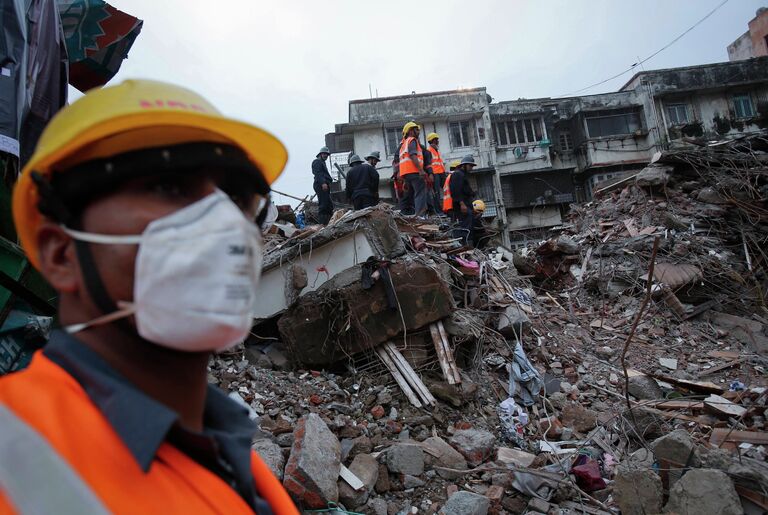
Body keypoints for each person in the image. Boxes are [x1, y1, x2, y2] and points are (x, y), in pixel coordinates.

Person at [0, 80, 298, 515]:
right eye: (168, 186)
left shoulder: (238, 463)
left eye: (237, 197)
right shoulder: (13, 446)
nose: (224, 222)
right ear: (61, 252)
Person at [395, 121, 427, 216]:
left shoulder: (403, 145)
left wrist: (404, 179)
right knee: (420, 194)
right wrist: (421, 170)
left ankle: (413, 215)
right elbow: (412, 155)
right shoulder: (412, 140)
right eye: (416, 130)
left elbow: (402, 160)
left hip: (406, 174)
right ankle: (420, 216)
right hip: (415, 171)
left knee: (413, 194)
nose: (418, 132)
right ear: (411, 131)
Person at [449, 155, 477, 245]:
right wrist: (462, 204)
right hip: (462, 206)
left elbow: (466, 190)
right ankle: (463, 244)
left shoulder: (462, 175)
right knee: (464, 227)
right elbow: (455, 190)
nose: (471, 168)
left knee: (469, 226)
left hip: (467, 205)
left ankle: (467, 244)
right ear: (464, 165)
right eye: (470, 166)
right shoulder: (458, 174)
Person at [312, 146, 334, 225]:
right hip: (321, 185)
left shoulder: (322, 163)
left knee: (329, 206)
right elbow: (318, 173)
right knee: (324, 205)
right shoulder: (317, 161)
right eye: (324, 154)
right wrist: (323, 183)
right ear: (320, 154)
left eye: (327, 155)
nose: (326, 156)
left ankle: (329, 223)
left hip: (324, 185)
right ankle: (322, 225)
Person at [426, 133, 446, 213]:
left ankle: (446, 208)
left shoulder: (437, 150)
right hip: (435, 174)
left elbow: (439, 163)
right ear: (432, 141)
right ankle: (438, 211)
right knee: (436, 193)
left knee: (446, 190)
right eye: (436, 140)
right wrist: (430, 174)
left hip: (441, 173)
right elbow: (429, 164)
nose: (437, 141)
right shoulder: (429, 151)